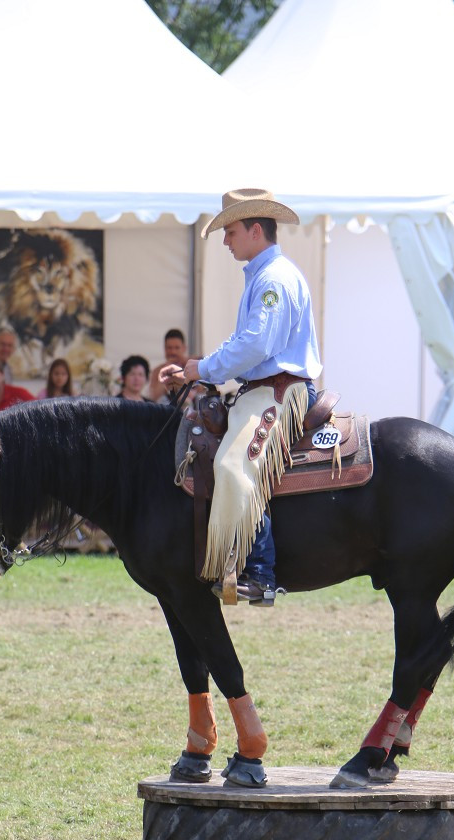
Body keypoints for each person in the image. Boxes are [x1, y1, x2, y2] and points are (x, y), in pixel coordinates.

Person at [163, 188, 322, 605]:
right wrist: (195, 367)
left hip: (279, 392)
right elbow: (247, 344)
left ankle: (261, 572)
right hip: (265, 388)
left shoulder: (273, 279)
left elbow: (256, 345)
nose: (225, 240)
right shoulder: (265, 275)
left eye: (230, 231)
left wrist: (205, 369)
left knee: (234, 465)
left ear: (255, 230)